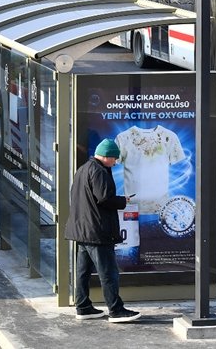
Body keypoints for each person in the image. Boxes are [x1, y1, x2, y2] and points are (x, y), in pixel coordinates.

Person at [63, 138, 142, 323]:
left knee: (82, 271)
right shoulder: (99, 171)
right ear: (106, 157)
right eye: (114, 159)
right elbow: (104, 198)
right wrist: (124, 201)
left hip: (82, 230)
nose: (115, 162)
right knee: (108, 272)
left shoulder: (83, 169)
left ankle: (83, 307)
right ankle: (116, 310)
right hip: (96, 231)